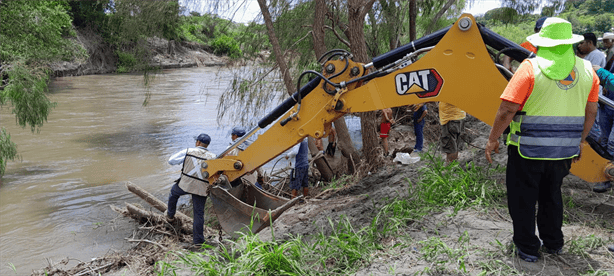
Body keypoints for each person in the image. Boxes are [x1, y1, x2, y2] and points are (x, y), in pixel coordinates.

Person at [485, 18, 599, 262]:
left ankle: (527, 247)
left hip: (527, 150)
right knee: (552, 195)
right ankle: (554, 243)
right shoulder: (589, 71)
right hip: (564, 151)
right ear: (569, 43)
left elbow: (507, 109)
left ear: (542, 43)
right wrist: (580, 141)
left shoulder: (529, 68)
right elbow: (591, 111)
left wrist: (493, 139)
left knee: (523, 198)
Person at [166, 133, 217, 246]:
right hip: (201, 188)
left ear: (198, 142)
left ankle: (170, 215)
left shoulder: (188, 151)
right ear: (207, 145)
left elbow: (171, 161)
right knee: (198, 213)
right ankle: (198, 241)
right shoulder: (213, 157)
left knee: (173, 194)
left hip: (186, 184)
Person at [590, 64, 614, 193]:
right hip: (608, 104)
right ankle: (605, 177)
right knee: (603, 141)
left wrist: (601, 72)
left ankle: (609, 176)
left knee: (611, 144)